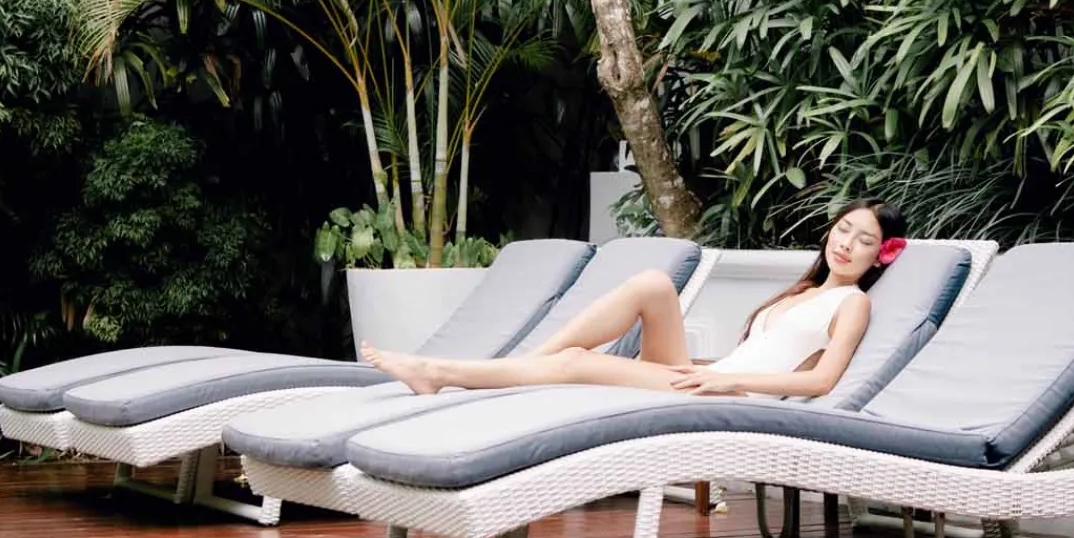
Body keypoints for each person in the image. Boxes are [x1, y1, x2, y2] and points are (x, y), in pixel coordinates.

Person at [362, 199, 909, 399]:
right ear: (829, 232)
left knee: (580, 363)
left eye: (864, 241)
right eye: (843, 230)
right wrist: (713, 368)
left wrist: (729, 380)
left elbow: (820, 381)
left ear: (879, 255)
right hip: (706, 379)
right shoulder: (805, 291)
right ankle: (525, 365)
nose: (847, 245)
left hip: (732, 400)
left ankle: (438, 372)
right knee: (653, 284)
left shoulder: (851, 304)